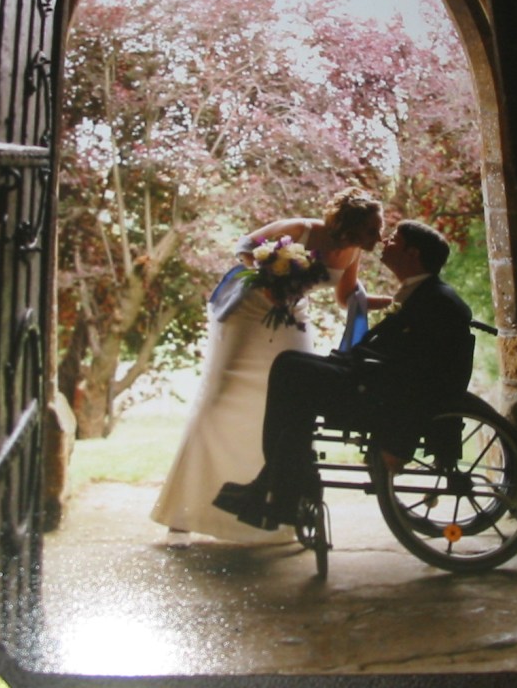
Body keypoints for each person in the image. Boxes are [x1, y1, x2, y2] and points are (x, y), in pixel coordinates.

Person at [150, 187, 388, 545]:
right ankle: (183, 514)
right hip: (249, 313)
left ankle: (278, 504)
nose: (378, 237)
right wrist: (269, 280)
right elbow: (245, 246)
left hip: (291, 318)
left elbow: (346, 297)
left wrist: (397, 300)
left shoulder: (354, 252)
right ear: (350, 225)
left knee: (291, 401)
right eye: (372, 229)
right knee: (221, 400)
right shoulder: (301, 229)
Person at [212, 220, 474, 530]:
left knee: (293, 371)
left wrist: (397, 439)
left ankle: (277, 492)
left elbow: (419, 377)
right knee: (290, 366)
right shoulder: (422, 292)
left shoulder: (435, 301)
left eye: (393, 240)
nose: (384, 242)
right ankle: (276, 488)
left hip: (379, 396)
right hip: (373, 379)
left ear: (412, 253)